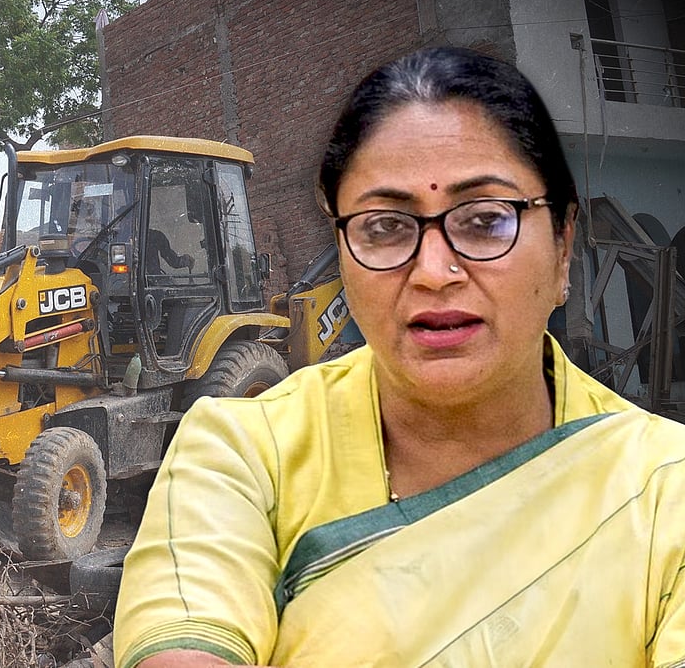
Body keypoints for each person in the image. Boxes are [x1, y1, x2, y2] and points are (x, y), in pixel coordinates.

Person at [114, 46, 685, 666]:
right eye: (384, 227)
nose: (435, 272)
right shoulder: (241, 455)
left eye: (486, 220)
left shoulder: (662, 488)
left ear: (563, 247)